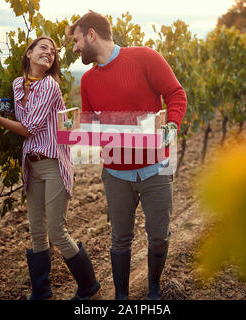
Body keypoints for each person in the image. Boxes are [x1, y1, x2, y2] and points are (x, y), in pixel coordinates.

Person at [67, 11, 187, 300]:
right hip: (115, 174)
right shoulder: (88, 81)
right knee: (120, 239)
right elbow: (91, 125)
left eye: (77, 40)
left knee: (158, 234)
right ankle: (121, 295)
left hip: (156, 168)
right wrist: (74, 132)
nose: (74, 48)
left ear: (92, 34)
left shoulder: (145, 58)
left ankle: (154, 287)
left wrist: (171, 127)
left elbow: (176, 94)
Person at [0, 36, 100, 300]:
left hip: (53, 164)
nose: (49, 53)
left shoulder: (50, 85)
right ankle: (41, 292)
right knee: (38, 233)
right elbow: (23, 112)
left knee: (57, 231)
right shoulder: (18, 84)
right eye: (43, 48)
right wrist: (3, 105)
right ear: (28, 53)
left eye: (53, 52)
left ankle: (89, 286)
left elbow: (28, 127)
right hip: (32, 166)